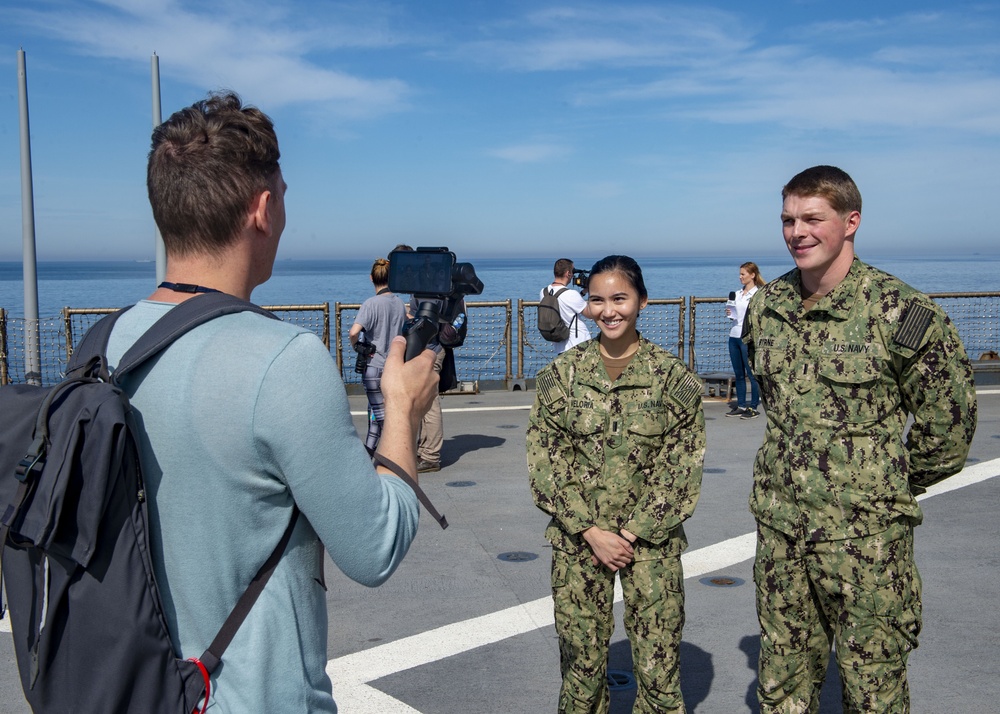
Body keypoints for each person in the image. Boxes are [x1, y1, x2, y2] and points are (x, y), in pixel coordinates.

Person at [104, 92, 438, 712]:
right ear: (262, 208)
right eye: (283, 195)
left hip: (132, 687)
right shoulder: (284, 359)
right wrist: (403, 410)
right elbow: (376, 546)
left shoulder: (104, 344)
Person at [743, 165, 978, 713]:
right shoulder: (767, 308)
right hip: (782, 538)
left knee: (874, 691)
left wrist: (881, 488)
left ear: (851, 222)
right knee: (780, 688)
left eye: (811, 219)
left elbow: (948, 430)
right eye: (787, 219)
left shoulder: (900, 313)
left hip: (866, 546)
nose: (796, 232)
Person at [527, 255, 705, 714]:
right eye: (598, 300)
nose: (609, 310)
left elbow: (680, 468)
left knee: (659, 674)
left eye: (620, 298)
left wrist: (627, 534)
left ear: (642, 302)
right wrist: (591, 531)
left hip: (651, 544)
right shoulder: (561, 377)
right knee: (581, 675)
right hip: (578, 544)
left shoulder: (673, 378)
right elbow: (546, 462)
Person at [392, 244, 468, 473]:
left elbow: (426, 318)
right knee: (425, 399)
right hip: (434, 346)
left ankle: (430, 454)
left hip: (431, 347)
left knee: (430, 401)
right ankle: (424, 448)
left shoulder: (430, 287)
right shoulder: (446, 286)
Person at [350, 257, 409, 454]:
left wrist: (357, 346)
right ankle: (369, 455)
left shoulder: (371, 304)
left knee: (382, 417)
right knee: (375, 414)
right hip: (394, 367)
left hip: (374, 366)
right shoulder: (400, 303)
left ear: (371, 278)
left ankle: (395, 456)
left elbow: (353, 332)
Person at [725, 261, 765, 419]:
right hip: (733, 335)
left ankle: (753, 406)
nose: (740, 277)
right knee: (739, 373)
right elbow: (735, 315)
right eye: (740, 274)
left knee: (752, 373)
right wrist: (730, 312)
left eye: (743, 274)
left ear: (752, 275)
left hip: (747, 337)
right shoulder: (736, 293)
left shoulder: (757, 294)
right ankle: (741, 405)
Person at [541, 258, 595, 353]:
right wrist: (593, 294)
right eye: (573, 271)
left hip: (560, 346)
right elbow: (590, 314)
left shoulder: (544, 292)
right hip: (578, 344)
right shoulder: (571, 294)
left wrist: (584, 292)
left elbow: (565, 302)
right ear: (568, 273)